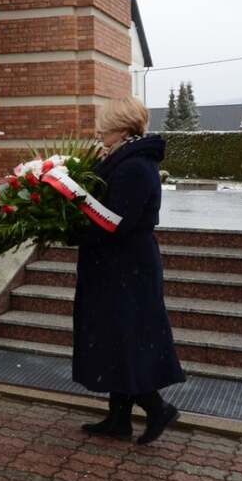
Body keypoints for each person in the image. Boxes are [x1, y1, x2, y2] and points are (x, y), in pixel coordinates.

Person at [70, 96, 185, 445]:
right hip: (115, 264)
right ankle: (118, 419)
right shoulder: (122, 158)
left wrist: (72, 227)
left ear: (120, 126)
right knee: (114, 337)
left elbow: (115, 222)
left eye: (104, 123)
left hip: (126, 266)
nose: (98, 129)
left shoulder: (134, 166)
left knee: (125, 339)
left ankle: (157, 408)